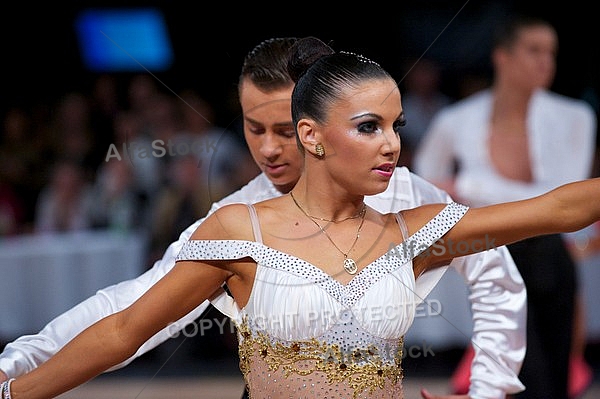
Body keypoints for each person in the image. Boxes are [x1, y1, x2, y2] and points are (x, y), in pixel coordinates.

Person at [0, 37, 527, 399]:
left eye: (284, 128)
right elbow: (126, 310)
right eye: (254, 129)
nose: (269, 149)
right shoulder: (238, 221)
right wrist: (15, 366)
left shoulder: (407, 195)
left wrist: (486, 391)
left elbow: (496, 278)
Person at [414, 15, 597, 399]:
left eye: (551, 53)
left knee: (557, 378)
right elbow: (425, 185)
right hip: (491, 256)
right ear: (503, 57)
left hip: (553, 254)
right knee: (519, 377)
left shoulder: (575, 116)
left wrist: (467, 185)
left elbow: (564, 197)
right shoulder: (456, 119)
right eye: (534, 50)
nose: (545, 62)